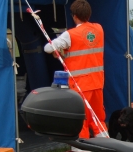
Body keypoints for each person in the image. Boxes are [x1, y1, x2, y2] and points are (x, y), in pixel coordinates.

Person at [44, 0, 106, 138]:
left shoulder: (70, 34)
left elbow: (48, 48)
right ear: (89, 14)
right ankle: (106, 148)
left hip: (80, 85)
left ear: (74, 16)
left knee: (80, 120)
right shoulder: (99, 29)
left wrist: (59, 48)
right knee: (98, 119)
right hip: (97, 83)